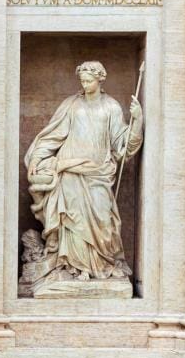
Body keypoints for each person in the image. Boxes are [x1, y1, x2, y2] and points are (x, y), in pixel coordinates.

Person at [24, 60, 143, 288]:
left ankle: (102, 263)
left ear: (100, 79)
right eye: (82, 80)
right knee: (72, 220)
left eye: (89, 80)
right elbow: (53, 135)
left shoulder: (111, 107)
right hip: (70, 172)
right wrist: (38, 157)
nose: (85, 84)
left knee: (103, 218)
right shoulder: (71, 105)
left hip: (98, 171)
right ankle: (75, 267)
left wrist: (137, 120)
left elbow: (122, 144)